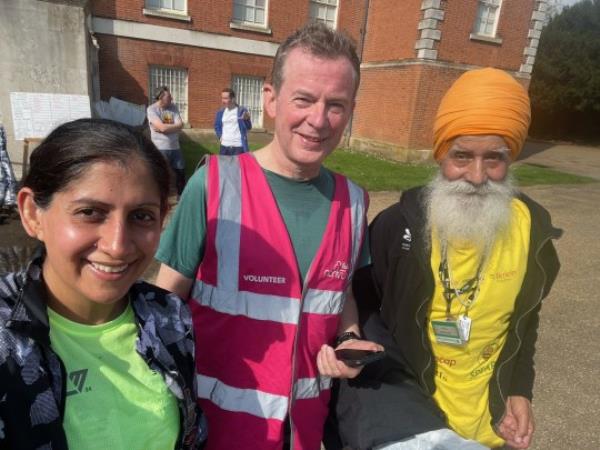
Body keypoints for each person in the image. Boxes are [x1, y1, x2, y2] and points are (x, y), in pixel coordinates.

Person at [155, 22, 382, 450]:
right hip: (219, 431)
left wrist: (349, 338)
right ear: (271, 99)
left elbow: (342, 291)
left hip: (304, 431)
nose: (319, 120)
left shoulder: (354, 203)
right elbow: (162, 304)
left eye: (336, 105)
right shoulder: (214, 186)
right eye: (304, 99)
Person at [335, 68, 561, 450]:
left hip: (491, 430)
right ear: (440, 153)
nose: (476, 176)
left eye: (494, 158)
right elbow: (361, 309)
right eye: (461, 156)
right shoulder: (395, 229)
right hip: (413, 427)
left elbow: (527, 322)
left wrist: (520, 389)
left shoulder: (534, 235)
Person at [0, 119, 206, 449]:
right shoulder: (6, 341)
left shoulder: (168, 316)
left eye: (141, 216)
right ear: (32, 214)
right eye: (90, 212)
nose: (118, 245)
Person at [147, 86, 186, 195]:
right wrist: (172, 127)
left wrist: (165, 128)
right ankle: (162, 197)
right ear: (160, 98)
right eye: (169, 97)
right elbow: (163, 127)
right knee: (162, 174)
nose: (172, 98)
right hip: (161, 148)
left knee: (180, 172)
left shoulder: (173, 107)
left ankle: (181, 196)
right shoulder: (152, 109)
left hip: (175, 147)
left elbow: (180, 124)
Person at [214, 88, 253, 155]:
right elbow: (217, 126)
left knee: (238, 166)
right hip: (224, 147)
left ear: (232, 99)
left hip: (238, 147)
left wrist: (246, 120)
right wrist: (220, 136)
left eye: (225, 98)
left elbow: (249, 127)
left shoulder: (241, 111)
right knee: (224, 165)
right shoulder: (220, 112)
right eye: (222, 98)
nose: (223, 101)